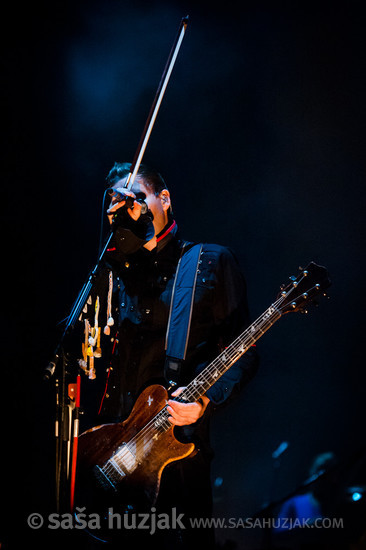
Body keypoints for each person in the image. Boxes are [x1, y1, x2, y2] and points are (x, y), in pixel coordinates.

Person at [77, 162, 259, 549]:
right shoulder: (112, 273)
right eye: (116, 203)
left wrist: (206, 401)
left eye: (136, 198)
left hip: (174, 456)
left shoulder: (209, 262)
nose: (128, 208)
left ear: (165, 199)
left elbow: (244, 353)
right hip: (111, 455)